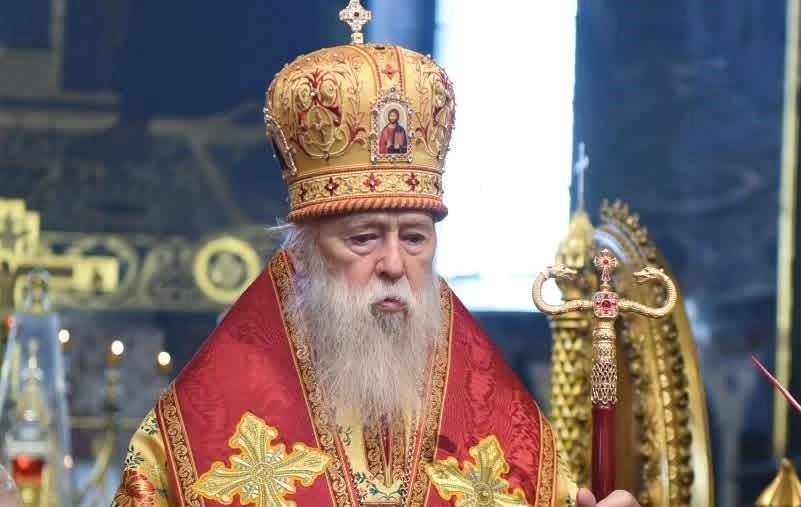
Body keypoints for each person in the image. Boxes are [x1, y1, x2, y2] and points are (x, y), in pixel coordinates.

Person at [110, 2, 640, 506]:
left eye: (415, 238)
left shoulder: (496, 414)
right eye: (363, 238)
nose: (393, 264)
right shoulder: (192, 434)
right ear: (304, 252)